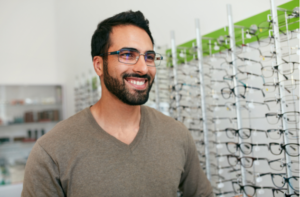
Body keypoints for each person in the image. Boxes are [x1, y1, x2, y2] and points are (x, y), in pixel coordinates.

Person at [22, 10, 213, 197]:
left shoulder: (177, 135)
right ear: (98, 65)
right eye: (128, 55)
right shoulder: (51, 151)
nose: (143, 68)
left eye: (149, 57)